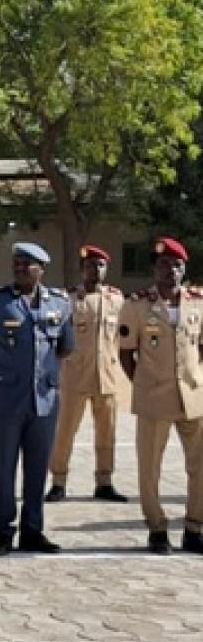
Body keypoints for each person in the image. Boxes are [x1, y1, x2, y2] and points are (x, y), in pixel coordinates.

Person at [0, 242, 74, 556]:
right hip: (6, 399)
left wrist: (47, 372)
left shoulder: (59, 304)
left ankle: (33, 531)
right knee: (3, 467)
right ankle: (3, 531)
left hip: (45, 399)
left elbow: (66, 345)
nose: (21, 268)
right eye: (17, 263)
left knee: (38, 469)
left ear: (42, 269)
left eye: (28, 264)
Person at [117, 237, 203, 555]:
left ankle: (195, 527)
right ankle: (157, 528)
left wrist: (193, 378)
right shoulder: (137, 305)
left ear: (184, 268)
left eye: (176, 264)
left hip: (193, 398)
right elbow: (126, 353)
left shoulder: (197, 302)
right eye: (164, 264)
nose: (171, 270)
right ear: (154, 269)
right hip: (154, 398)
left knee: (200, 466)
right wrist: (142, 383)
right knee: (150, 467)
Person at [46, 244, 129, 503]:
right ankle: (58, 481)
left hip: (106, 377)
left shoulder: (116, 300)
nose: (96, 270)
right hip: (74, 377)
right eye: (91, 265)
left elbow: (124, 336)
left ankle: (104, 482)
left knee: (107, 432)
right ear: (83, 269)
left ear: (107, 269)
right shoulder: (68, 300)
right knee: (65, 431)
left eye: (101, 265)